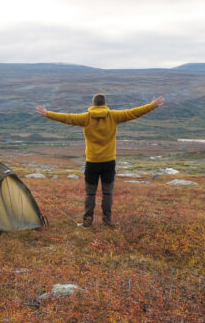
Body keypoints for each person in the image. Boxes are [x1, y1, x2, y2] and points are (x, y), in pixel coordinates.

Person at [36, 94, 164, 227]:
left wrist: (47, 113)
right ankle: (107, 221)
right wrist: (151, 106)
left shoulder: (86, 117)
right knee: (107, 192)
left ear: (93, 104)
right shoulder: (113, 116)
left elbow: (67, 118)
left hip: (92, 162)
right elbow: (133, 113)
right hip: (109, 162)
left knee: (90, 193)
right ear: (104, 104)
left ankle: (87, 221)